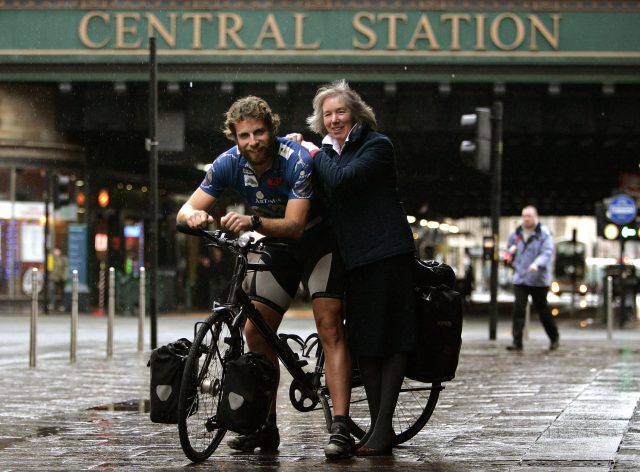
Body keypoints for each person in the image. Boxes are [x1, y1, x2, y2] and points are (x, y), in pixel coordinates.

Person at [176, 96, 353, 459]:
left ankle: (340, 426)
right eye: (244, 135)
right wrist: (192, 217)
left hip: (319, 241)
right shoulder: (228, 163)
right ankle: (264, 427)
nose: (252, 141)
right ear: (235, 137)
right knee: (256, 330)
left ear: (271, 130)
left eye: (259, 132)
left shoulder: (296, 160)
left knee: (329, 325)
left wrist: (252, 221)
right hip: (278, 245)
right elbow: (186, 208)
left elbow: (294, 225)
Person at [288, 79, 416, 455]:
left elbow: (342, 181)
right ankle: (379, 430)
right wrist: (294, 154)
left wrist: (312, 153)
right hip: (356, 259)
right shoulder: (329, 153)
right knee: (367, 345)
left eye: (340, 111)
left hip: (386, 255)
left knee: (391, 341)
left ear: (356, 113)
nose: (333, 119)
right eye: (326, 114)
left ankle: (382, 428)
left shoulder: (376, 146)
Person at [504, 205, 560, 351]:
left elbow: (547, 252)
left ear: (536, 217)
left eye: (529, 216)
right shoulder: (516, 233)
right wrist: (509, 254)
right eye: (524, 216)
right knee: (518, 309)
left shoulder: (544, 233)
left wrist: (536, 264)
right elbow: (507, 252)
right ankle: (517, 341)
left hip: (538, 279)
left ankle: (554, 338)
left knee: (542, 310)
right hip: (521, 277)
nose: (526, 219)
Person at [50, 247, 67, 311]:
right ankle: (52, 304)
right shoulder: (51, 258)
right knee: (52, 291)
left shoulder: (63, 259)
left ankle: (62, 305)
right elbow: (49, 268)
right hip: (53, 277)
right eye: (55, 251)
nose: (56, 252)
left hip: (61, 277)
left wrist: (64, 276)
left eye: (58, 251)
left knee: (62, 292)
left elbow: (65, 268)